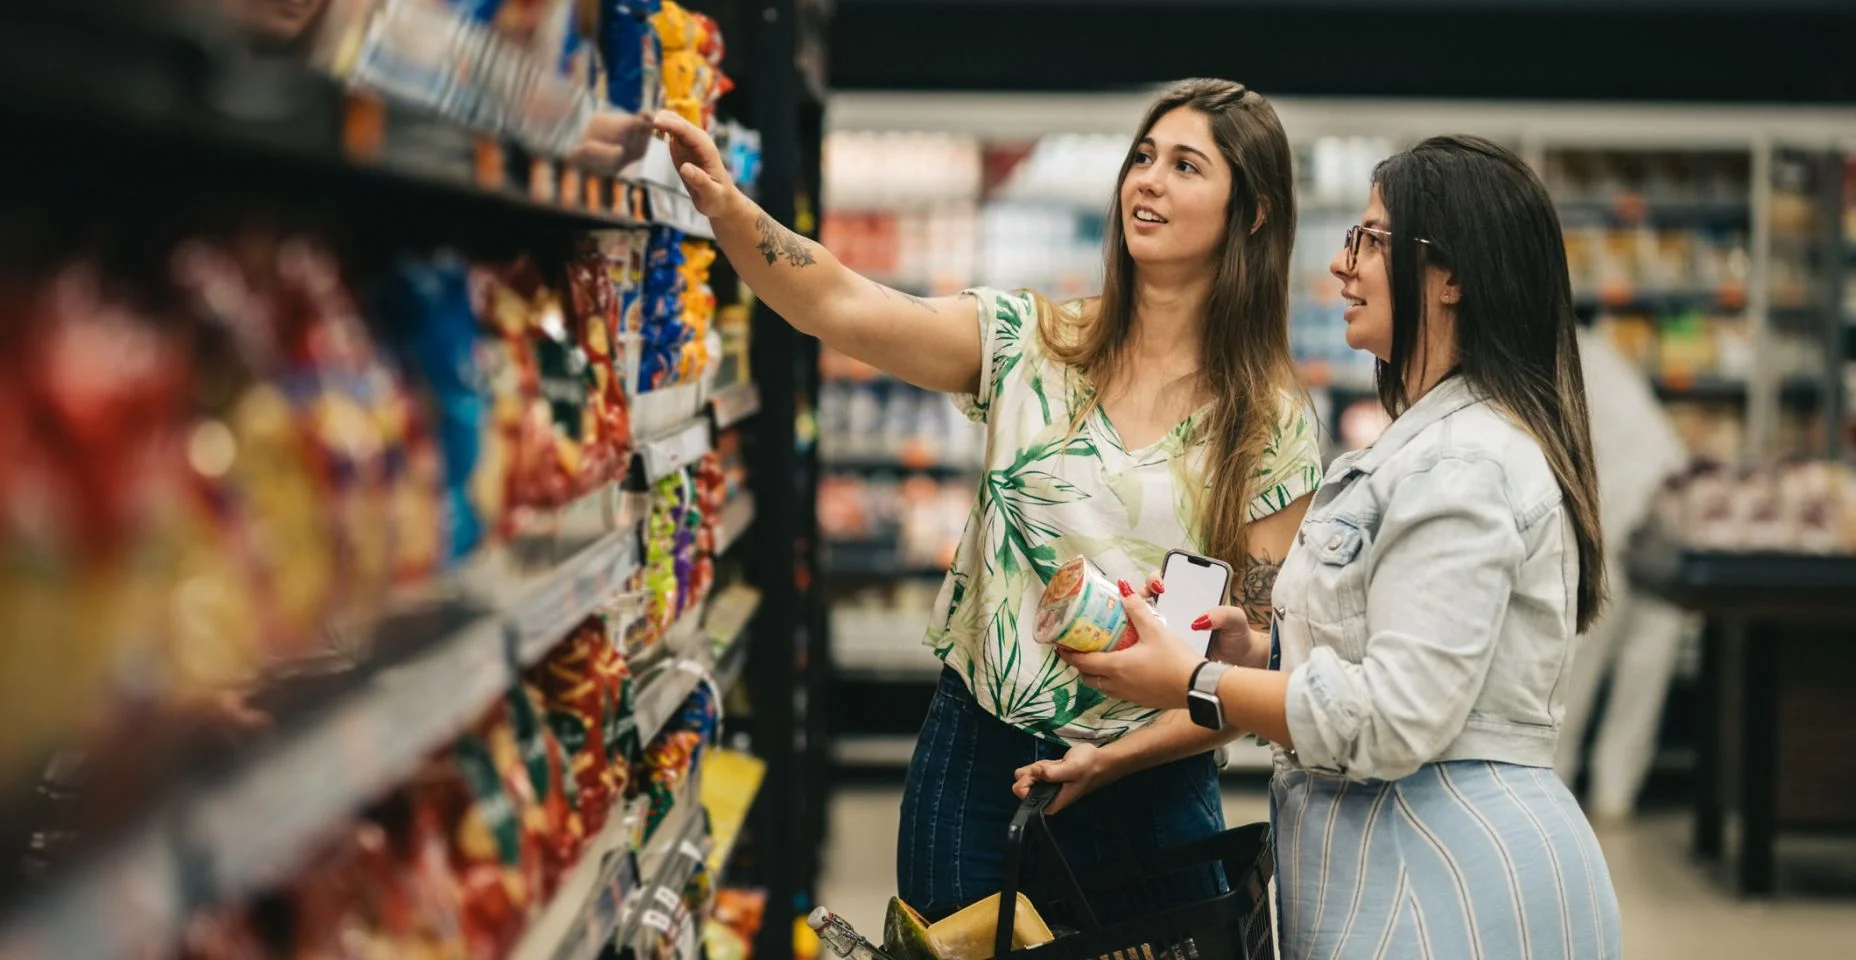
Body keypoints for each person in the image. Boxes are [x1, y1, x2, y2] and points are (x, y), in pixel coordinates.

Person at [653, 78, 1324, 923]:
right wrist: (728, 208)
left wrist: (1110, 761)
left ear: (1253, 213)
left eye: (1186, 166)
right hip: (980, 767)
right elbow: (841, 303)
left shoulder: (1268, 421)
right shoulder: (1031, 346)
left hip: (1151, 781)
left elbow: (1252, 665)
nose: (1147, 181)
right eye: (1143, 157)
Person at [1040, 136, 1624, 957]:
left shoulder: (1464, 464)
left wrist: (1196, 680)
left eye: (1372, 240)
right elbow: (1397, 646)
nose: (1343, 267)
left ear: (1450, 275)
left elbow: (1393, 716)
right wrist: (1265, 649)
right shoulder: (1425, 445)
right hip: (1400, 866)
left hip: (1450, 882)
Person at [1555, 325, 1693, 819]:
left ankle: (1559, 788)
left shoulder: (1564, 354)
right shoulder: (1596, 351)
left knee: (1581, 657)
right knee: (1644, 663)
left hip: (1621, 516)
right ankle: (1616, 795)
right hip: (1669, 512)